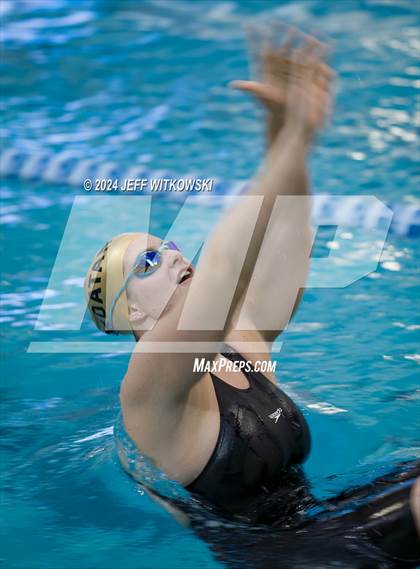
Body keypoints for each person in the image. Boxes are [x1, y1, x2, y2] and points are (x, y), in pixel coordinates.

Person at [84, 28, 420, 567]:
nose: (173, 256)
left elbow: (285, 256)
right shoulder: (149, 383)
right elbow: (227, 267)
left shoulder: (236, 345)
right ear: (135, 313)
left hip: (324, 525)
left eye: (169, 246)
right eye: (149, 263)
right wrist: (291, 141)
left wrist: (286, 136)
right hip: (281, 559)